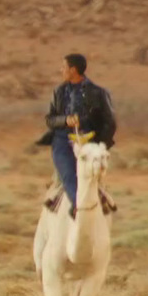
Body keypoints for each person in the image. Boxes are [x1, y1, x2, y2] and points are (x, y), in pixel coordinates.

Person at [36, 53, 116, 216]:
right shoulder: (58, 92)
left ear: (73, 70)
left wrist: (101, 145)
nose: (61, 70)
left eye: (63, 67)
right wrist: (65, 120)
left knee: (91, 174)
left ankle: (99, 200)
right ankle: (78, 207)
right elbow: (50, 120)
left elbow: (110, 123)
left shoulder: (98, 93)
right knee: (68, 174)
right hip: (62, 141)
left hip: (90, 143)